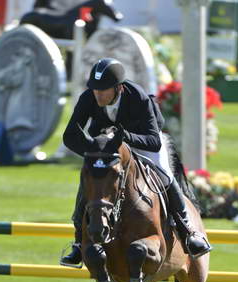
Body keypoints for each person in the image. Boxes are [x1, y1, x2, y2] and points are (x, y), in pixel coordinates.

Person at [61, 57, 212, 267]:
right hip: (109, 151)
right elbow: (69, 136)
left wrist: (125, 137)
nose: (98, 94)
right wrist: (94, 156)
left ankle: (189, 232)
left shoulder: (138, 98)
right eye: (95, 89)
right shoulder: (89, 97)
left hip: (143, 142)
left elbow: (153, 141)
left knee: (164, 175)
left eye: (103, 90)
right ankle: (79, 242)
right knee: (92, 177)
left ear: (119, 88)